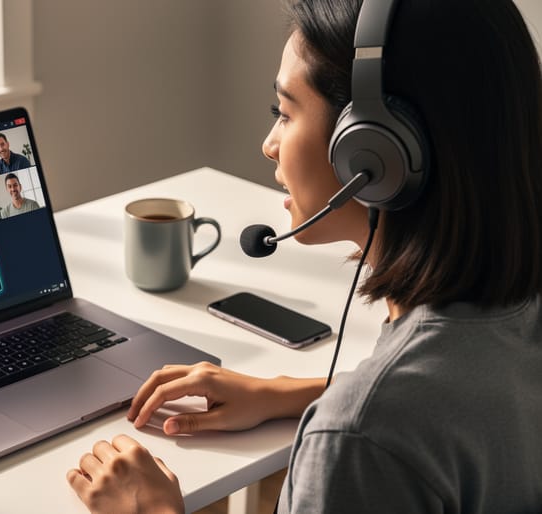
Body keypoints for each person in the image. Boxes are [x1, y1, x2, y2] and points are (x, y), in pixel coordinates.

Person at [67, 0, 542, 512]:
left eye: (285, 112)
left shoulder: (356, 439)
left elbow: (385, 423)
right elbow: (462, 396)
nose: (270, 144)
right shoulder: (517, 310)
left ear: (374, 154)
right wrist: (287, 392)